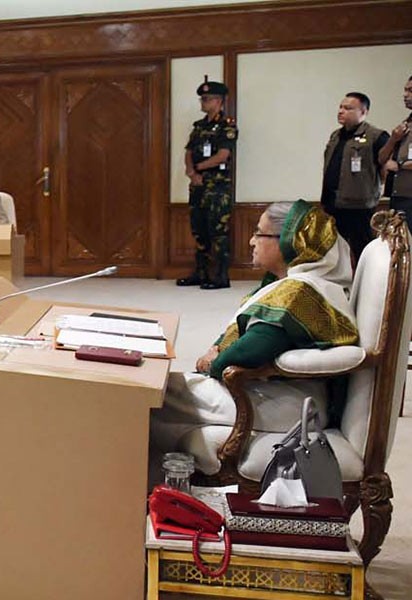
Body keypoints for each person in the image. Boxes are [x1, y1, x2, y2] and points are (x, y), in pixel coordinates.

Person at [152, 200, 359, 474]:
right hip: (279, 393)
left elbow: (250, 351)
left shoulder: (298, 293)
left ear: (289, 241)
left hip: (289, 403)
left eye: (259, 233)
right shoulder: (298, 283)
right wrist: (217, 347)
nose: (251, 241)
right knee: (164, 393)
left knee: (155, 395)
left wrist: (212, 362)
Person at [177, 77, 238, 290]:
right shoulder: (199, 126)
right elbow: (188, 152)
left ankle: (220, 276)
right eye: (201, 98)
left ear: (218, 100)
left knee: (218, 232)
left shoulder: (226, 126)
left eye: (206, 98)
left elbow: (222, 155)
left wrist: (199, 169)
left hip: (217, 187)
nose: (202, 102)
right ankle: (200, 272)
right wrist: (191, 172)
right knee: (199, 229)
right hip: (198, 186)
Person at [320, 92, 389, 264]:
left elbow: (386, 167)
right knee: (334, 251)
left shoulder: (376, 136)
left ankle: (367, 287)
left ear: (363, 112)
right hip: (332, 203)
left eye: (348, 108)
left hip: (359, 206)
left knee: (363, 250)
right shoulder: (336, 136)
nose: (341, 111)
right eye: (341, 107)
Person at [380, 76, 412, 217]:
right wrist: (393, 139)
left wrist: (398, 165)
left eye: (410, 90)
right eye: (405, 90)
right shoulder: (406, 123)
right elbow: (381, 159)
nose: (405, 95)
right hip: (398, 194)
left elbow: (394, 164)